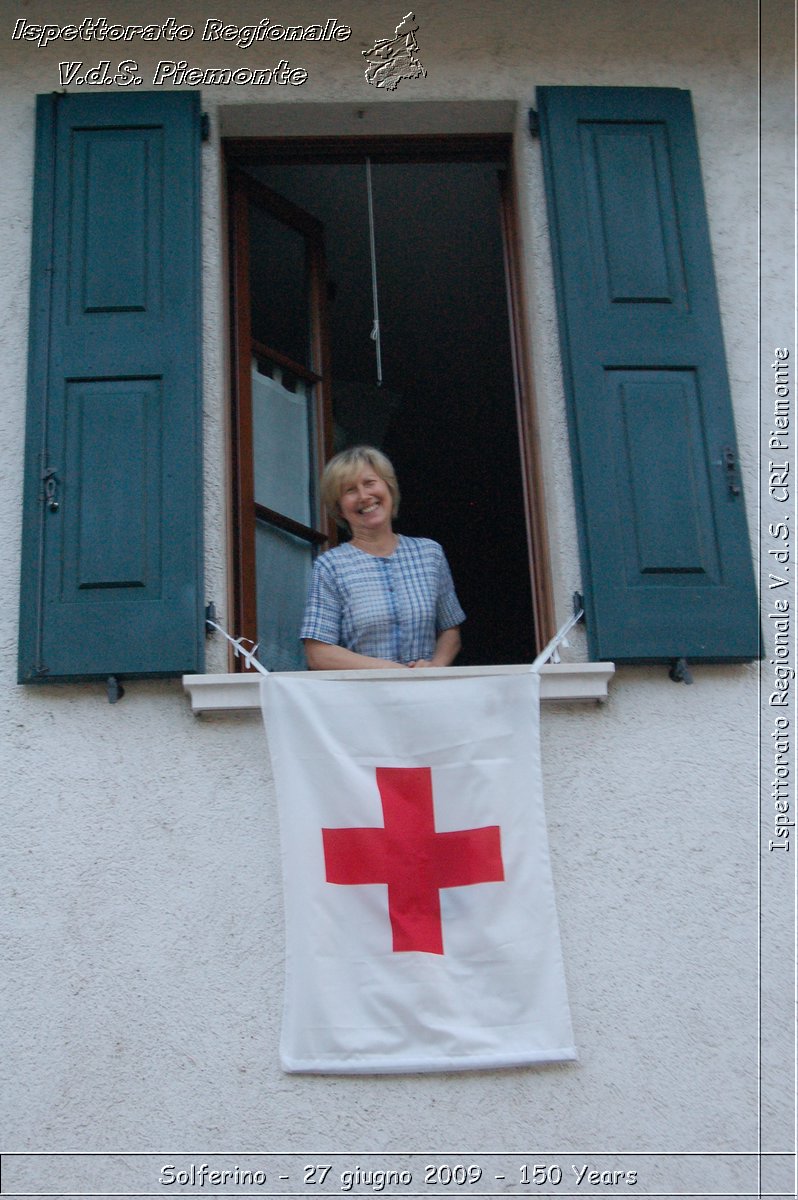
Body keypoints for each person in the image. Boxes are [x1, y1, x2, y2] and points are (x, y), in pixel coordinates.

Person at [301, 446, 465, 670]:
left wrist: (435, 668)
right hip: (363, 700)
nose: (364, 496)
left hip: (427, 696)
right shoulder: (331, 566)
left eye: (369, 483)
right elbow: (318, 653)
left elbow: (450, 629)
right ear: (339, 509)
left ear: (389, 488)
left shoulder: (429, 554)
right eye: (350, 490)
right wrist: (392, 671)